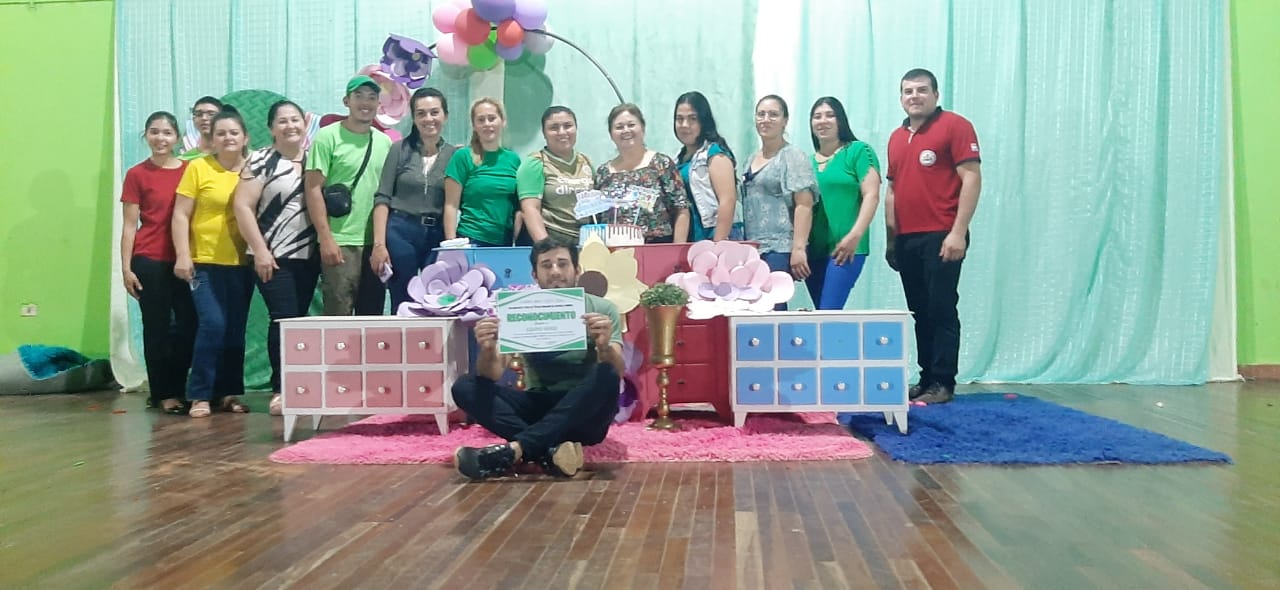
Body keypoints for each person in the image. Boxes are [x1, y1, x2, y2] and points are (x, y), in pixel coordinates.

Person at [450, 237, 625, 480]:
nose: (555, 271)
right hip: (538, 403)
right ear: (534, 275)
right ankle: (547, 451)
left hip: (584, 413)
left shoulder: (603, 310)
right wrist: (488, 349)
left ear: (577, 270)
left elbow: (618, 370)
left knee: (607, 373)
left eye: (562, 264)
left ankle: (519, 449)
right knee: (464, 386)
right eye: (546, 265)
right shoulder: (518, 308)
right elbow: (493, 374)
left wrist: (604, 347)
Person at [885, 68, 982, 405]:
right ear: (901, 98)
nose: (915, 96)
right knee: (919, 311)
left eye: (922, 90)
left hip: (942, 234)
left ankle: (943, 381)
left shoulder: (955, 126)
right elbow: (892, 191)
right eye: (908, 91)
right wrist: (891, 240)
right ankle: (926, 378)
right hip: (907, 238)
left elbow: (971, 178)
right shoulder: (897, 137)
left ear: (936, 95)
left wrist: (958, 232)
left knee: (941, 308)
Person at [232, 100, 317, 416]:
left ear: (304, 124)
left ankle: (301, 386)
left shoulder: (313, 158)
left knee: (299, 320)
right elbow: (242, 206)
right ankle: (281, 389)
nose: (290, 126)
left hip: (308, 255)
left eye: (295, 119)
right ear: (271, 128)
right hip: (273, 255)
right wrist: (260, 250)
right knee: (283, 319)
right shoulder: (260, 160)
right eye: (282, 121)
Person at [171, 106, 254, 418]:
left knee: (235, 329)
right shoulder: (198, 168)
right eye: (221, 133)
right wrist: (183, 254)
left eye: (234, 132)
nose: (228, 138)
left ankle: (229, 393)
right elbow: (181, 214)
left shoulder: (254, 169)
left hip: (242, 263)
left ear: (245, 137)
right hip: (203, 262)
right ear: (212, 138)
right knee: (212, 324)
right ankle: (200, 394)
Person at [120, 111, 196, 414]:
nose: (160, 138)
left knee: (189, 326)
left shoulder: (191, 170)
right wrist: (126, 269)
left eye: (166, 133)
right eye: (154, 132)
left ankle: (179, 387)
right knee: (157, 328)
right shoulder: (136, 174)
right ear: (146, 136)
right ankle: (163, 394)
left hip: (186, 259)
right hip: (149, 260)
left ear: (177, 138)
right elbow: (129, 226)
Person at [304, 75, 392, 316]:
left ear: (379, 104)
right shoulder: (327, 137)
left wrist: (381, 244)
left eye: (372, 97)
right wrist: (326, 238)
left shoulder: (384, 142)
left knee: (371, 316)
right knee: (337, 315)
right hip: (340, 242)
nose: (365, 102)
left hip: (375, 244)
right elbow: (312, 189)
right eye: (359, 96)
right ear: (346, 101)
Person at [370, 88, 459, 312]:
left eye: (434, 112)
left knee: (437, 299)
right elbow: (382, 199)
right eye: (421, 113)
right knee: (402, 300)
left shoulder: (455, 155)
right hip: (401, 232)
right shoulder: (399, 150)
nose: (428, 119)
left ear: (445, 116)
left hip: (437, 235)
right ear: (414, 118)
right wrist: (379, 245)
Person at [740, 95, 818, 308]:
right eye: (761, 114)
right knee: (755, 309)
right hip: (753, 249)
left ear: (785, 121)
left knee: (774, 308)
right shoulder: (750, 159)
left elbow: (804, 204)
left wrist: (798, 248)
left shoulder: (792, 156)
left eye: (773, 115)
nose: (766, 119)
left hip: (780, 247)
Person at [807, 96, 881, 310]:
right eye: (817, 116)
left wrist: (855, 235)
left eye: (830, 115)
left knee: (829, 312)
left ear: (841, 120)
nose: (823, 121)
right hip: (815, 250)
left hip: (847, 247)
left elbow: (871, 195)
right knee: (821, 316)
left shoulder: (858, 151)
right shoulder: (807, 162)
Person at [594, 103, 690, 243]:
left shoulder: (661, 163)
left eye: (631, 125)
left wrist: (677, 249)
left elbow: (681, 208)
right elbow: (596, 216)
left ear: (643, 128)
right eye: (619, 127)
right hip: (614, 249)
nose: (626, 130)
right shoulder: (603, 173)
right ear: (611, 134)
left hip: (656, 246)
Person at [443, 97, 521, 247]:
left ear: (503, 121)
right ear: (474, 125)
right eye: (481, 120)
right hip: (471, 239)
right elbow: (451, 205)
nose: (487, 124)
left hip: (503, 241)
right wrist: (452, 245)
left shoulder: (514, 159)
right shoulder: (462, 157)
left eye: (492, 118)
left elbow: (518, 208)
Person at [515, 106, 593, 245]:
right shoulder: (535, 164)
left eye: (568, 126)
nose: (562, 132)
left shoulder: (586, 162)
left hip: (584, 242)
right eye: (554, 128)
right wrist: (546, 247)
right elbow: (530, 209)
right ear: (544, 133)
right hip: (551, 242)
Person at [673, 91, 741, 241]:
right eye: (679, 119)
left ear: (703, 121)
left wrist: (718, 243)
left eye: (692, 119)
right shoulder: (677, 159)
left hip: (715, 235)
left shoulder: (715, 154)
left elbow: (728, 200)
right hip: (692, 237)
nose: (684, 125)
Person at [180, 96, 223, 161]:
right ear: (193, 120)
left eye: (211, 114)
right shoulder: (185, 160)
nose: (204, 118)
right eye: (199, 114)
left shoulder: (232, 156)